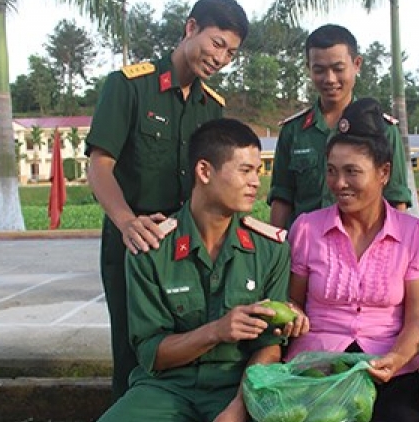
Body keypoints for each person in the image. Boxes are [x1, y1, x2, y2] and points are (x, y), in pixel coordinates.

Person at [84, 0, 248, 399]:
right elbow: (99, 164)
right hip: (134, 240)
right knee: (131, 348)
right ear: (191, 27)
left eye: (231, 53)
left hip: (186, 245)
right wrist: (126, 222)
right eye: (217, 44)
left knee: (185, 345)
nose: (221, 58)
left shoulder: (214, 107)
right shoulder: (129, 86)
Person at [97, 118, 291, 422]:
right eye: (245, 171)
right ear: (204, 171)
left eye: (258, 171)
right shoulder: (152, 248)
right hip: (167, 388)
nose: (256, 182)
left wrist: (238, 407)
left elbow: (269, 347)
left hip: (240, 385)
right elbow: (152, 353)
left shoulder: (270, 250)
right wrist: (216, 331)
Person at [285, 98, 419, 422]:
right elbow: (292, 302)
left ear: (384, 172)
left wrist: (396, 359)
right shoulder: (306, 229)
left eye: (352, 172)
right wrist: (291, 317)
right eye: (331, 171)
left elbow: (418, 317)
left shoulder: (414, 234)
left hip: (388, 368)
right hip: (317, 368)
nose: (339, 183)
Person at [268, 24, 411, 230]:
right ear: (308, 68)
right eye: (319, 70)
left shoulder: (383, 129)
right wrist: (276, 250)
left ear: (357, 64)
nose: (330, 79)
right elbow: (282, 197)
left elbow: (396, 198)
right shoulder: (294, 130)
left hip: (362, 250)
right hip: (305, 249)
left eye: (338, 68)